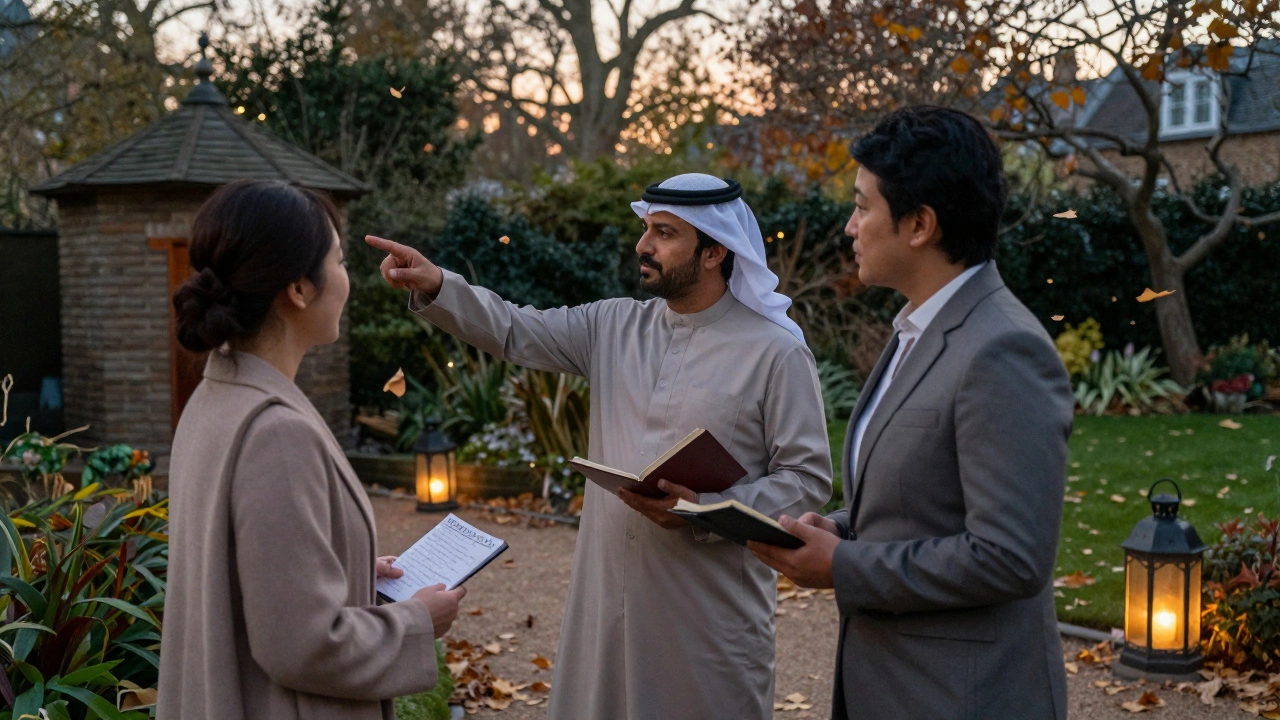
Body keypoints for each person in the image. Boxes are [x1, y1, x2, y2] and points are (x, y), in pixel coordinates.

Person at [365, 173, 832, 719]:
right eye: (645, 229)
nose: (643, 246)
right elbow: (516, 330)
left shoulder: (775, 352)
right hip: (603, 605)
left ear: (714, 252)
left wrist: (702, 511)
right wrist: (439, 284)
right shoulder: (611, 325)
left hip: (708, 615)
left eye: (664, 233)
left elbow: (806, 481)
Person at [749, 106, 1074, 720]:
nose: (849, 226)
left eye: (863, 206)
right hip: (894, 684)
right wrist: (842, 529)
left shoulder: (1003, 349)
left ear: (920, 224)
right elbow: (925, 500)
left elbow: (1010, 556)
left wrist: (843, 564)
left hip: (962, 697)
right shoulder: (914, 330)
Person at [158, 179, 465, 720]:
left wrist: (342, 568)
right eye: (341, 261)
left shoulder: (213, 399)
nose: (348, 281)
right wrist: (417, 621)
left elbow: (238, 571)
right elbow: (301, 645)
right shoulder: (276, 431)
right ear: (299, 288)